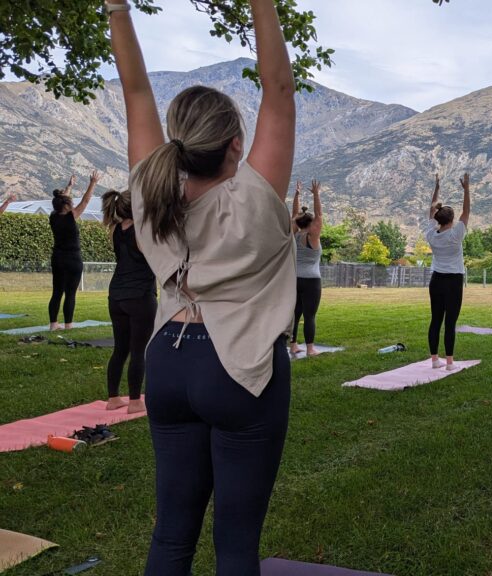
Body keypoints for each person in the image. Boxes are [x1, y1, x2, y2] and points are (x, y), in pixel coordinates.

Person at [109, 0, 296, 573]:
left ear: (176, 143)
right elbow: (280, 88)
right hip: (237, 366)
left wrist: (117, 7)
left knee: (171, 538)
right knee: (235, 546)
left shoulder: (151, 191)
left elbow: (135, 91)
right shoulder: (254, 198)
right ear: (235, 145)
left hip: (168, 359)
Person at [101, 189, 156, 414]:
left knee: (120, 349)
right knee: (138, 350)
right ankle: (134, 402)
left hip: (116, 295)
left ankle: (113, 398)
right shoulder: (142, 232)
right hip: (140, 296)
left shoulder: (115, 229)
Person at [426, 172, 470, 370]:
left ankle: (434, 360)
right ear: (452, 219)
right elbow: (467, 211)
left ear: (438, 220)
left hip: (436, 280)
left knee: (436, 319)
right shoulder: (456, 235)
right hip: (453, 281)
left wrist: (436, 188)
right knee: (450, 322)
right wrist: (466, 189)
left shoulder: (431, 234)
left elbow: (432, 209)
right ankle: (450, 362)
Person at [49, 171, 98, 331]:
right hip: (72, 259)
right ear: (66, 205)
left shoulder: (53, 216)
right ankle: (68, 325)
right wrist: (93, 183)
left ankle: (53, 325)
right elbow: (85, 200)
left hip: (57, 258)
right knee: (70, 293)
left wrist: (69, 186)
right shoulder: (71, 216)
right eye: (69, 201)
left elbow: (61, 199)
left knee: (57, 292)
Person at [290, 179, 324, 356]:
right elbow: (319, 215)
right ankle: (310, 348)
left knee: (295, 314)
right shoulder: (312, 238)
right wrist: (316, 195)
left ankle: (293, 345)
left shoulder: (294, 234)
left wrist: (296, 195)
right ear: (310, 224)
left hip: (294, 279)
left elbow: (295, 214)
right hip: (311, 281)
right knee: (309, 315)